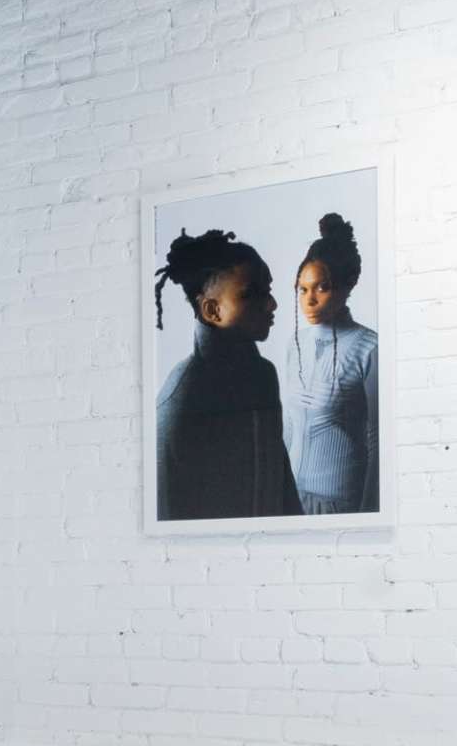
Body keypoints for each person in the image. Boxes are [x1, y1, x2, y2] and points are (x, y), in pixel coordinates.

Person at [153, 228, 299, 521]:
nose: (271, 304)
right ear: (212, 310)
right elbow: (168, 515)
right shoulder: (183, 395)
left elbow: (282, 484)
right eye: (251, 294)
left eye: (268, 290)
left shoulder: (264, 375)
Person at [289, 211, 379, 516]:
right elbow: (288, 427)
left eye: (321, 288)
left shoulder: (369, 347)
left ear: (345, 286)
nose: (309, 299)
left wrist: (371, 511)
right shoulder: (295, 344)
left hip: (342, 503)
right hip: (291, 499)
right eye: (302, 289)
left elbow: (378, 442)